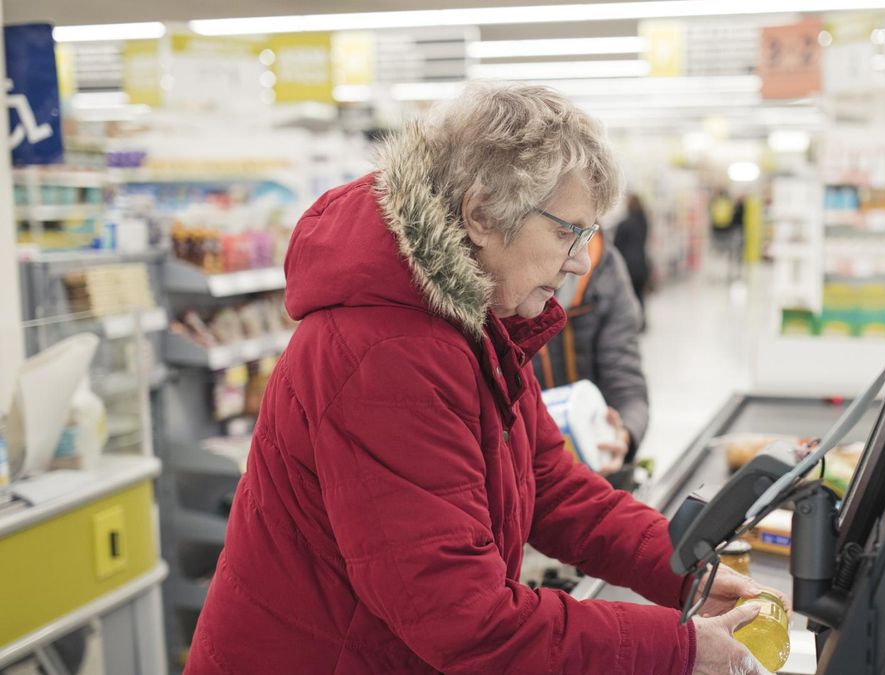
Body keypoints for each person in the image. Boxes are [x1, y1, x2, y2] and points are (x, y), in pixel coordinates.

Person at [186, 83, 776, 675]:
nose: (579, 261)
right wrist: (680, 648)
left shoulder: (474, 322)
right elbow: (465, 620)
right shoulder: (386, 354)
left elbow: (552, 485)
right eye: (567, 231)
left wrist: (685, 572)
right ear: (482, 215)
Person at [532, 230, 649, 478]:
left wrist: (623, 434)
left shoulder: (606, 271)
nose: (580, 262)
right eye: (562, 232)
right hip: (530, 467)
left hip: (593, 463)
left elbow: (627, 384)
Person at [614, 193, 651, 316]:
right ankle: (642, 320)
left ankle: (634, 319)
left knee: (630, 296)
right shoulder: (644, 222)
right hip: (642, 263)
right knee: (640, 295)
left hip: (629, 265)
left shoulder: (624, 224)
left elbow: (616, 245)